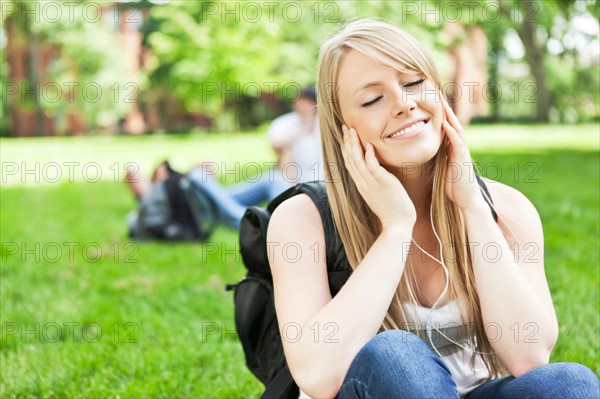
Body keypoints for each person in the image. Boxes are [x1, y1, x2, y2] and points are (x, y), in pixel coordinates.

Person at [267, 19, 600, 398]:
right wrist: (396, 228)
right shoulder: (302, 220)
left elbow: (529, 357)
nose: (404, 104)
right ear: (342, 127)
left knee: (570, 383)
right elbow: (319, 375)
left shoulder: (507, 210)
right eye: (373, 99)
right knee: (394, 355)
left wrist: (473, 206)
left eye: (413, 83)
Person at [126, 86, 323, 232]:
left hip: (211, 196)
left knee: (275, 178)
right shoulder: (153, 204)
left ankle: (277, 217)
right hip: (199, 201)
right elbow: (131, 173)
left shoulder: (168, 190)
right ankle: (259, 224)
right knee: (198, 176)